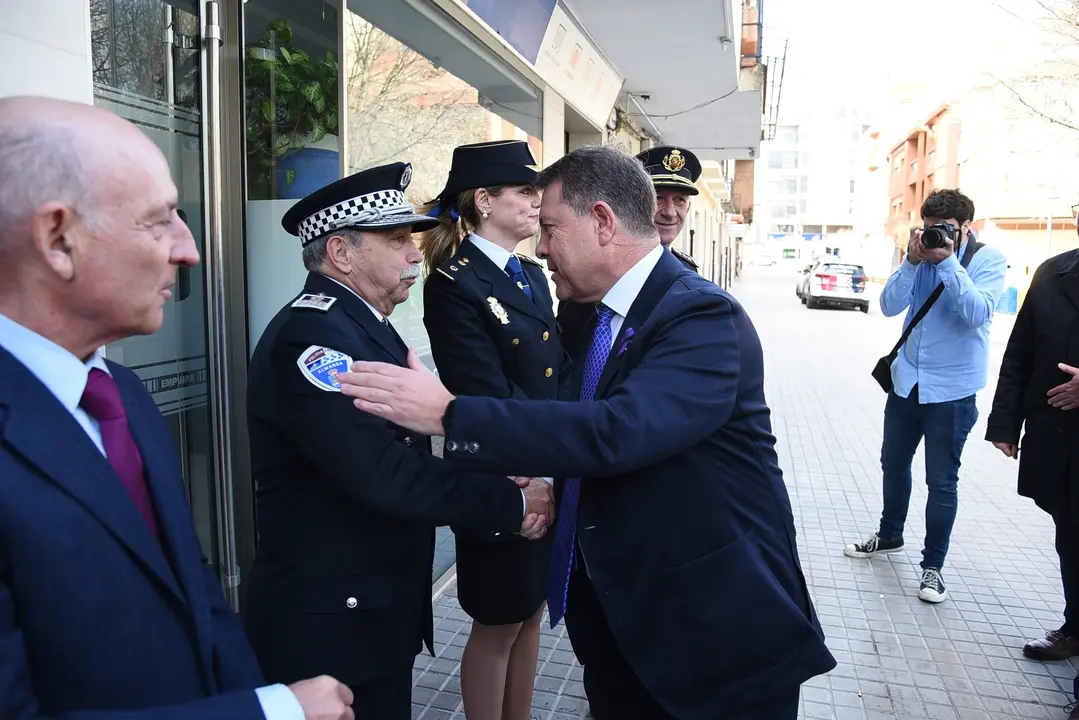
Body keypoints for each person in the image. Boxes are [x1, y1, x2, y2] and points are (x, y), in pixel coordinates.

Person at [335, 145, 837, 720]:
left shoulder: (702, 316)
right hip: (622, 626)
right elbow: (562, 416)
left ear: (601, 222)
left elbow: (618, 432)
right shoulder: (585, 313)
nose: (540, 245)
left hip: (713, 636)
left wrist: (451, 415)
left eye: (550, 227)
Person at [0, 96, 352, 718]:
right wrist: (270, 715)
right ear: (58, 239)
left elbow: (199, 603)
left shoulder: (121, 396)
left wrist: (256, 697)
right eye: (158, 220)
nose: (188, 250)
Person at [243, 161, 555, 720]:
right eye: (395, 241)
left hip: (370, 608)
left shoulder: (365, 324)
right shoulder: (314, 338)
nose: (416, 254)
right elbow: (381, 471)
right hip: (332, 624)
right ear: (341, 254)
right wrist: (510, 502)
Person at [419, 140, 570, 720]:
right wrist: (530, 478)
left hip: (545, 468)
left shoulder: (531, 276)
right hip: (501, 476)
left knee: (530, 612)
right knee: (498, 621)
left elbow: (553, 375)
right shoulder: (454, 283)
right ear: (484, 200)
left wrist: (557, 470)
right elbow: (483, 392)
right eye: (525, 192)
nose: (537, 203)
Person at [844, 189, 1007, 603]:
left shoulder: (987, 260)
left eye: (948, 229)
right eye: (932, 227)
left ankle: (933, 566)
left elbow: (978, 314)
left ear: (966, 227)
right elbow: (889, 305)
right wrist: (913, 260)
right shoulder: (918, 253)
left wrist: (948, 261)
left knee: (942, 480)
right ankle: (889, 535)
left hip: (952, 390)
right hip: (907, 382)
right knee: (892, 462)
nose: (938, 235)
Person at [985, 241, 1079, 717]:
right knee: (1070, 538)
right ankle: (1075, 627)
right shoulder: (1054, 271)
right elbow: (1020, 349)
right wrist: (1004, 422)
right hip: (1058, 440)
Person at [635, 145, 702, 272]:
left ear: (688, 209)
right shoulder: (614, 266)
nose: (670, 212)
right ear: (634, 204)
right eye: (658, 198)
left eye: (680, 200)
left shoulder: (686, 268)